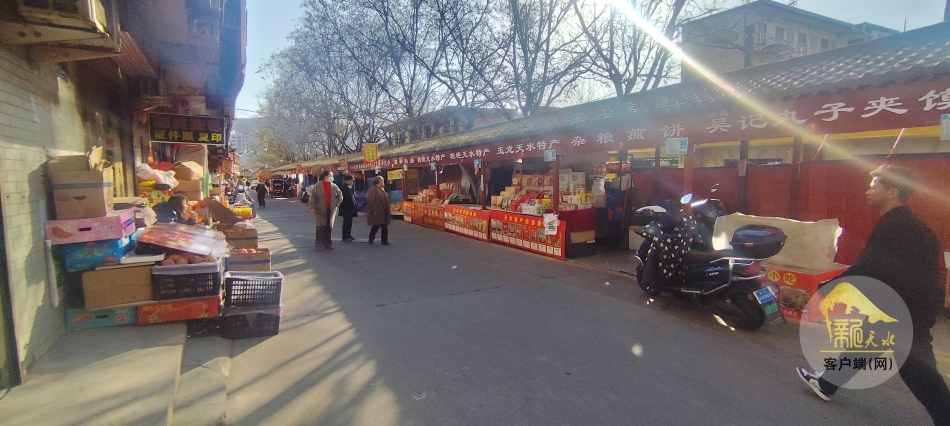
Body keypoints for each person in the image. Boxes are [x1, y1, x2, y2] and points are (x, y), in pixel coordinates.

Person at [796, 165, 950, 425]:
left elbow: (869, 267)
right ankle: (826, 384)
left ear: (892, 192)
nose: (868, 191)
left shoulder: (897, 226)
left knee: (917, 370)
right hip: (898, 305)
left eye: (874, 186)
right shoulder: (907, 224)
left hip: (905, 311)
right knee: (864, 343)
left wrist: (831, 287)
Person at [308, 171, 343, 251]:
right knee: (320, 227)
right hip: (319, 210)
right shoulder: (317, 186)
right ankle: (319, 244)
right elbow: (312, 196)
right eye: (330, 175)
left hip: (331, 210)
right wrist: (312, 206)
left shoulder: (334, 186)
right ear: (325, 176)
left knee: (328, 227)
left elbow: (340, 196)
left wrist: (336, 204)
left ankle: (328, 243)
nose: (332, 177)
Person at [366, 176, 391, 245]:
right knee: (376, 226)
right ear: (378, 181)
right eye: (382, 180)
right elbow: (372, 201)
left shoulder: (382, 189)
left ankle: (384, 241)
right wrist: (374, 211)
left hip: (383, 211)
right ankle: (371, 238)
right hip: (378, 211)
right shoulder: (373, 189)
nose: (383, 182)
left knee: (384, 226)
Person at [338, 175, 358, 242]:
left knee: (349, 222)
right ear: (348, 181)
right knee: (346, 222)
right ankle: (345, 236)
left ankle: (348, 234)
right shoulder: (344, 188)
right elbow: (347, 199)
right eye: (352, 180)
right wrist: (352, 207)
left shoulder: (350, 188)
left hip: (350, 208)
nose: (352, 182)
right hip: (346, 208)